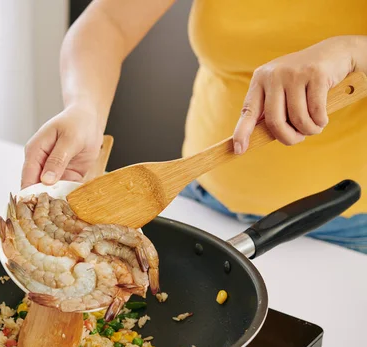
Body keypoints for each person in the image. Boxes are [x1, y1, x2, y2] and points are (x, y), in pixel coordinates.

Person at [20, 0, 367, 254]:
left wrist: (351, 49)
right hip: (200, 196)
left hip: (344, 223)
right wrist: (86, 108)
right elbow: (109, 20)